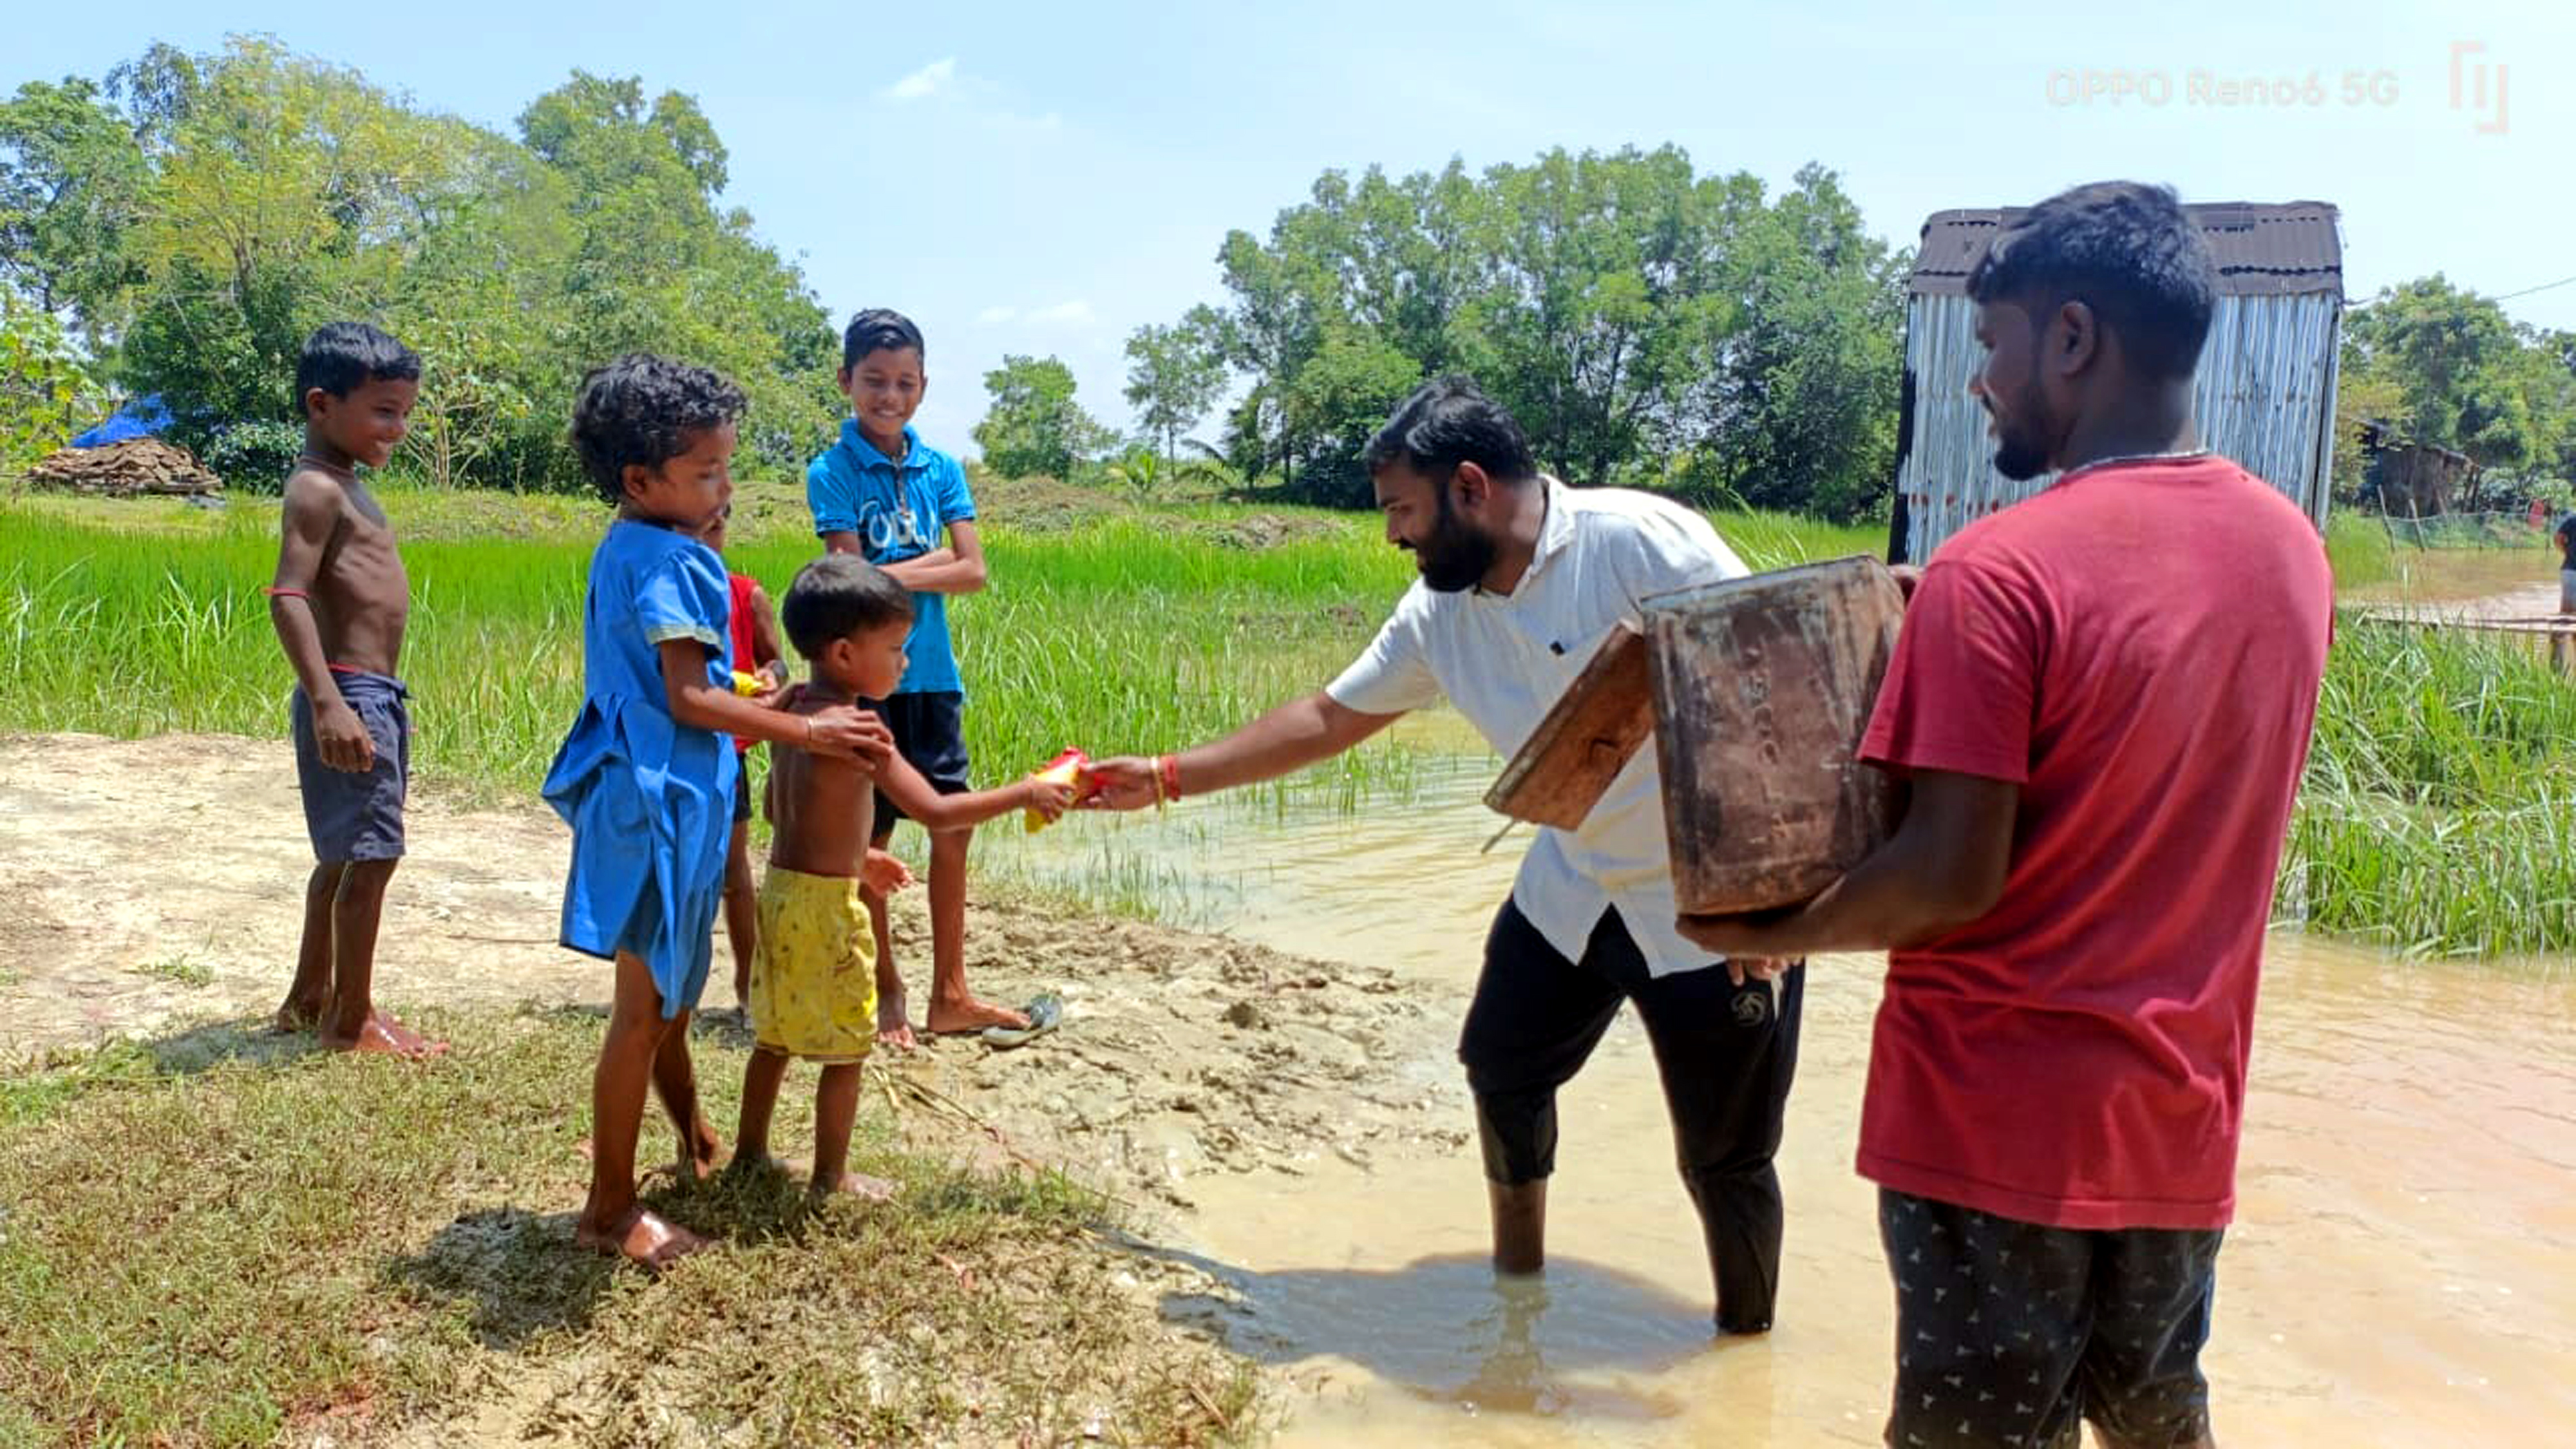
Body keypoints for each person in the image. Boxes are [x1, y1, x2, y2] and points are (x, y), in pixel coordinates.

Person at [1676, 182, 2333, 1449]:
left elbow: (1945, 877)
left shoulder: (1996, 571)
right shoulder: (2289, 553)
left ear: (2071, 340)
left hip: (1987, 1134)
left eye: (1991, 347)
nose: (1978, 382)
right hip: (2176, 1129)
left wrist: (1764, 926)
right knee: (2156, 1425)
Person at [1086, 376, 1803, 1336]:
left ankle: (1744, 1353)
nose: (1394, 537)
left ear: (1470, 487)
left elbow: (1777, 691)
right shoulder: (1442, 610)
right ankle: (1517, 1292)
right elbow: (1331, 716)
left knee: (1727, 1157)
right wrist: (1172, 774)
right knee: (1501, 1068)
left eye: (1402, 512)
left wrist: (1777, 888)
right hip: (1575, 880)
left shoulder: (1639, 544)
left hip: (1710, 901)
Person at [544, 354, 892, 1270]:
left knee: (663, 994)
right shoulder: (678, 558)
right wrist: (811, 735)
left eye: (726, 469)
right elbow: (690, 699)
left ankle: (694, 1134)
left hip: (641, 787)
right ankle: (610, 1209)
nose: (722, 489)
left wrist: (767, 704)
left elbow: (684, 691)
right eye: (706, 474)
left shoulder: (624, 543)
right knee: (647, 1004)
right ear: (640, 478)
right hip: (663, 798)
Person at [730, 554, 1075, 1197]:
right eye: (894, 649)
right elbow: (936, 810)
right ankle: (830, 1177)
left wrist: (856, 854)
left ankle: (749, 1153)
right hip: (831, 911)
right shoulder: (863, 731)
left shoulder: (791, 707)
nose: (905, 663)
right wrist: (1024, 792)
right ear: (841, 654)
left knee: (773, 1038)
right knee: (847, 1051)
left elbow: (781, 806)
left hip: (778, 895)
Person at [805, 308, 1012, 1046]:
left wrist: (884, 573)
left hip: (932, 677)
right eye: (873, 382)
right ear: (846, 383)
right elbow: (849, 590)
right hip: (868, 681)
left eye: (903, 383)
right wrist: (925, 571)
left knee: (951, 828)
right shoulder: (830, 472)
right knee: (874, 836)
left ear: (922, 388)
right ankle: (885, 982)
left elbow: (975, 571)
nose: (888, 397)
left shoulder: (942, 469)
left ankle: (950, 992)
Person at [265, 321, 444, 1059]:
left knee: (342, 856)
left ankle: (310, 998)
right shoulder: (316, 489)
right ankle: (351, 1021)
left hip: (374, 692)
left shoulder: (348, 485)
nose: (397, 428)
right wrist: (332, 704)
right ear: (320, 405)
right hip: (350, 693)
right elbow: (288, 596)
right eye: (382, 411)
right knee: (371, 857)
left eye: (404, 412)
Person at [696, 502, 788, 1008]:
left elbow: (776, 659)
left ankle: (747, 985)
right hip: (678, 747)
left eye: (716, 526)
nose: (706, 538)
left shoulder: (745, 594)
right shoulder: (665, 592)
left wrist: (772, 676)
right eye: (696, 529)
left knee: (735, 872)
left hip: (728, 749)